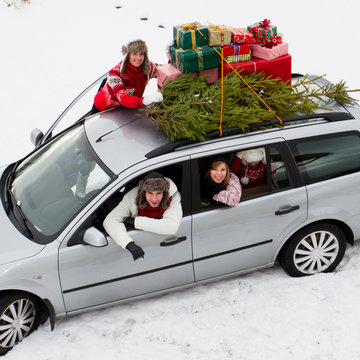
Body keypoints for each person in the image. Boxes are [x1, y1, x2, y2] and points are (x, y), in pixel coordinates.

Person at [103, 172, 182, 260]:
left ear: (165, 192)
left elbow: (171, 227)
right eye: (150, 193)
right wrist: (128, 243)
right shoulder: (133, 196)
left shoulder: (173, 197)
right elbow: (110, 220)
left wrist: (135, 222)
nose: (154, 199)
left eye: (159, 193)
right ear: (143, 192)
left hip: (167, 251)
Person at [93, 39, 163, 112]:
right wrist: (145, 100)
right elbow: (124, 98)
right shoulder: (116, 73)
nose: (138, 58)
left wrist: (172, 56)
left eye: (141, 54)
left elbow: (163, 70)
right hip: (105, 108)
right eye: (134, 54)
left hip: (127, 108)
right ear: (127, 56)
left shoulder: (147, 68)